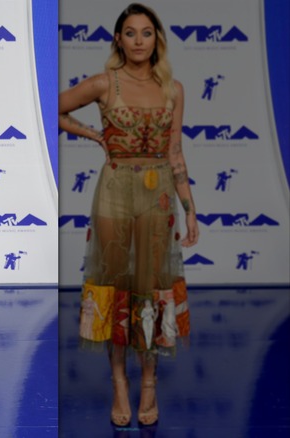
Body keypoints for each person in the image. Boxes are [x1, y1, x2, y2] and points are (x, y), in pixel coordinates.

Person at [58, 3, 198, 427]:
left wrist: (190, 209)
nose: (139, 40)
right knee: (115, 287)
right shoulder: (105, 83)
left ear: (158, 39)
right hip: (115, 190)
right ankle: (119, 381)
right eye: (131, 33)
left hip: (158, 194)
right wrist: (93, 134)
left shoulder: (173, 89)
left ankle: (149, 382)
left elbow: (174, 153)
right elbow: (57, 108)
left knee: (153, 287)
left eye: (147, 32)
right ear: (118, 39)